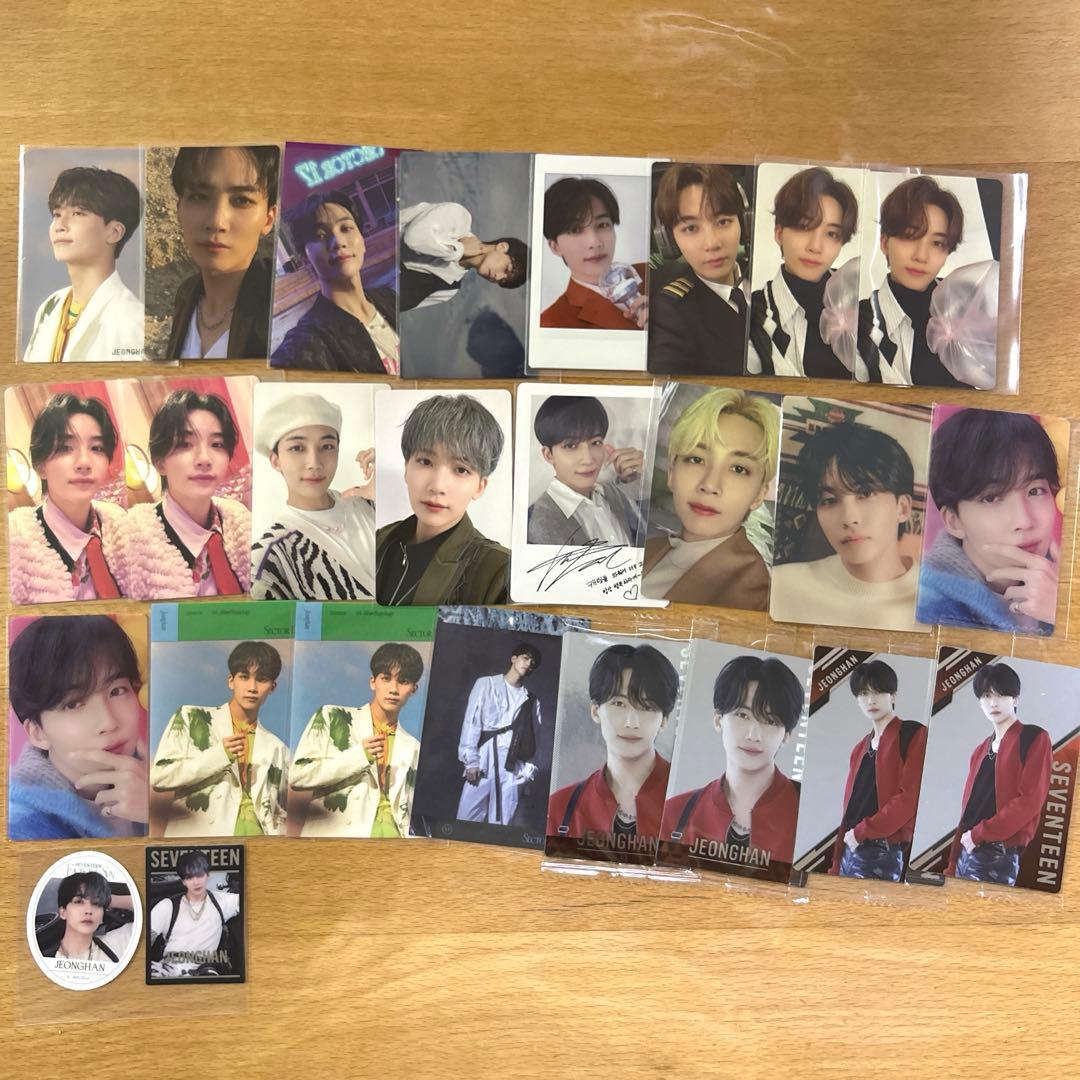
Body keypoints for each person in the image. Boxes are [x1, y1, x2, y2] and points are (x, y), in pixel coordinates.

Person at [918, 409, 1062, 635]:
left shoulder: (1064, 578)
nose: (1024, 521)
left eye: (1035, 491)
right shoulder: (928, 609)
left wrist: (1064, 611)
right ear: (954, 521)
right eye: (991, 498)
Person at [770, 421, 921, 632]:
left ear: (902, 508)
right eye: (830, 500)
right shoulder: (780, 585)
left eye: (865, 494)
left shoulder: (940, 603)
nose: (849, 518)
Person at [9, 615, 147, 840]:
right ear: (37, 733)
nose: (108, 722)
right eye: (73, 704)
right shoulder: (20, 825)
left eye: (116, 691)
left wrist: (163, 807)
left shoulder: (163, 771)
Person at [642, 389, 778, 610]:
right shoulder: (645, 550)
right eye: (696, 459)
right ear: (671, 473)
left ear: (759, 495)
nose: (710, 485)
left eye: (738, 469)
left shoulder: (757, 598)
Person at [662, 655, 803, 866]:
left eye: (770, 720)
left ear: (786, 736)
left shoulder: (807, 813)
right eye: (743, 715)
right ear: (718, 721)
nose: (754, 735)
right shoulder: (675, 814)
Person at [375, 394, 509, 605]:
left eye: (461, 470)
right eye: (425, 461)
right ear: (406, 468)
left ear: (480, 486)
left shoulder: (499, 571)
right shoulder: (377, 540)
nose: (437, 486)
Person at [149, 641, 290, 837]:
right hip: (203, 842)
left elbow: (280, 813)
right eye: (244, 677)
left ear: (272, 687)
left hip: (261, 844)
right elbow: (160, 777)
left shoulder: (278, 748)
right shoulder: (192, 718)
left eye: (262, 679)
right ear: (231, 681)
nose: (252, 687)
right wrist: (219, 755)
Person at [120, 389, 250, 599]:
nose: (204, 459)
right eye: (185, 444)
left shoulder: (240, 520)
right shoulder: (130, 539)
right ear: (160, 462)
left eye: (216, 444)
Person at [547, 643, 678, 848]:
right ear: (595, 711)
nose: (631, 722)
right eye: (619, 703)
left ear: (664, 721)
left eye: (647, 707)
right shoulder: (560, 808)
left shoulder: (687, 804)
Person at [289, 643, 424, 837]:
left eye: (403, 681)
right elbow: (298, 776)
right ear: (373, 682)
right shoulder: (333, 717)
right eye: (386, 678)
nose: (394, 689)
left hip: (394, 845)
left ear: (414, 689)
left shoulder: (415, 748)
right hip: (339, 842)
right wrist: (359, 756)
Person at [250, 392, 376, 600]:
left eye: (327, 447)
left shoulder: (369, 505)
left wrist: (399, 479)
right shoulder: (271, 556)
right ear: (275, 460)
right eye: (297, 448)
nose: (314, 463)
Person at [164, 145, 279, 359]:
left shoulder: (284, 311)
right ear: (179, 209)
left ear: (268, 219)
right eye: (199, 197)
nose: (217, 221)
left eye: (241, 200)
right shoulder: (187, 296)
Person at [9, 392, 125, 603]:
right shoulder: (14, 544)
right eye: (65, 448)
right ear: (41, 465)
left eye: (96, 448)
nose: (84, 462)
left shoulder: (119, 524)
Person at [859, 176, 972, 388]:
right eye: (910, 236)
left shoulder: (969, 315)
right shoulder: (855, 323)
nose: (921, 256)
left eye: (937, 243)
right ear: (884, 242)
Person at [23, 165, 144, 363]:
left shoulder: (132, 321)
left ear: (114, 232)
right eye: (57, 214)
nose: (60, 226)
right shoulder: (50, 306)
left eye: (78, 213)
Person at [270, 192, 399, 373]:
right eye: (320, 235)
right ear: (305, 257)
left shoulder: (390, 299)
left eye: (346, 228)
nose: (338, 242)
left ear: (362, 240)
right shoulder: (307, 344)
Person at [947, 664, 1052, 886]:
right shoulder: (980, 751)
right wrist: (952, 864)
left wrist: (980, 834)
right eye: (987, 695)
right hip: (966, 853)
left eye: (1001, 694)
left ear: (1015, 700)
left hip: (997, 854)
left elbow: (1030, 800)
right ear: (980, 702)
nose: (993, 703)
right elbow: (968, 812)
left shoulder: (1034, 738)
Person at [748, 166, 858, 378]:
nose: (815, 247)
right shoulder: (751, 315)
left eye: (831, 234)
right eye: (804, 226)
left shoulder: (861, 303)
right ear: (779, 233)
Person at [829, 660, 927, 881]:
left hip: (882, 850)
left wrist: (864, 831)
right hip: (850, 850)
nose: (871, 700)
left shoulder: (913, 734)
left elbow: (910, 797)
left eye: (878, 692)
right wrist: (836, 863)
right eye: (864, 693)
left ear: (893, 696)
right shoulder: (859, 749)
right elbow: (849, 809)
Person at [648, 163, 750, 375]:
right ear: (669, 240)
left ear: (744, 222)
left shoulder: (767, 278)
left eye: (723, 221)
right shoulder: (669, 313)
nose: (712, 243)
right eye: (691, 228)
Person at [527, 395, 646, 547]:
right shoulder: (534, 523)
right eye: (571, 446)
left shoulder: (613, 492)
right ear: (549, 455)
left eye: (595, 442)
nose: (588, 459)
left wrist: (637, 481)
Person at [540, 176, 647, 330]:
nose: (595, 242)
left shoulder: (654, 274)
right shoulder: (552, 322)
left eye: (603, 225)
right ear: (555, 246)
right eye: (575, 230)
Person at [457, 643, 543, 827]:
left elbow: (535, 737)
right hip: (484, 757)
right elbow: (472, 722)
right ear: (514, 658)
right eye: (525, 658)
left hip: (512, 764)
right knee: (467, 817)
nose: (528, 664)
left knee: (502, 824)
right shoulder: (486, 684)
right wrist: (471, 760)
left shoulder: (531, 700)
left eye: (533, 663)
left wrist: (528, 771)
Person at [398, 200, 528, 311]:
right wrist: (459, 250)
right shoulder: (459, 218)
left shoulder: (448, 290)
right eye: (506, 269)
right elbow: (414, 238)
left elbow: (396, 306)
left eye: (502, 281)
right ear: (502, 247)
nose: (497, 277)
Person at [149, 850, 240, 977]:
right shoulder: (167, 906)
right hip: (168, 969)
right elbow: (144, 943)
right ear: (183, 881)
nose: (196, 882)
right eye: (189, 877)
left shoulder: (223, 902)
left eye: (199, 875)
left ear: (208, 875)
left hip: (203, 972)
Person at [39, 871, 137, 964]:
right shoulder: (45, 958)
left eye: (96, 903)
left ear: (102, 914)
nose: (89, 910)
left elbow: (144, 908)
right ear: (63, 912)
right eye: (78, 902)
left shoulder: (115, 943)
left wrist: (109, 900)